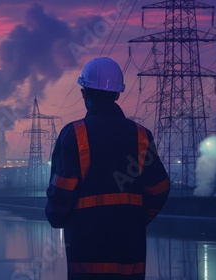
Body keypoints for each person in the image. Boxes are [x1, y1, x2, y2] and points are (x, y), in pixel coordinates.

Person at [45, 57, 170, 280]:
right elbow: (159, 188)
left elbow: (62, 193)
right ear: (117, 94)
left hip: (86, 255)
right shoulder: (140, 135)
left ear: (85, 94)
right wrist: (138, 217)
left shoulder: (74, 135)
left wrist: (57, 218)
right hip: (130, 254)